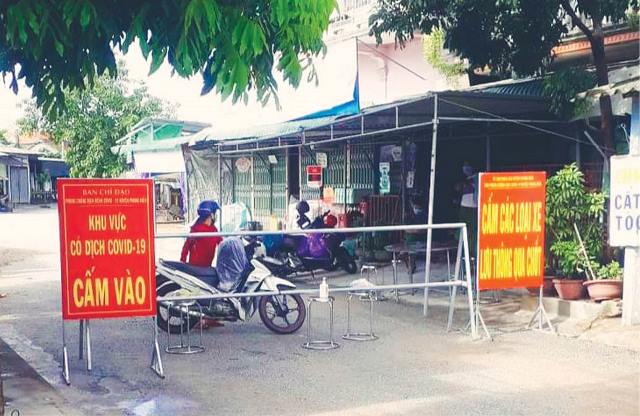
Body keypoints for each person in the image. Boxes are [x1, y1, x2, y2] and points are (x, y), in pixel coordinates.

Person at [180, 200, 223, 329]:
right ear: (210, 215)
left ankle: (210, 318)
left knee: (213, 290)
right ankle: (201, 319)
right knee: (201, 293)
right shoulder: (197, 230)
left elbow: (222, 244)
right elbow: (187, 246)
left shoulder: (213, 230)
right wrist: (183, 264)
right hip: (196, 268)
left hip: (207, 267)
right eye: (214, 213)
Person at [459, 162, 478, 257]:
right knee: (465, 231)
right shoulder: (464, 181)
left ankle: (472, 253)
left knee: (473, 232)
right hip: (465, 206)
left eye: (467, 166)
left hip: (473, 207)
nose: (466, 169)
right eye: (464, 167)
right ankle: (465, 254)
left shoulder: (477, 178)